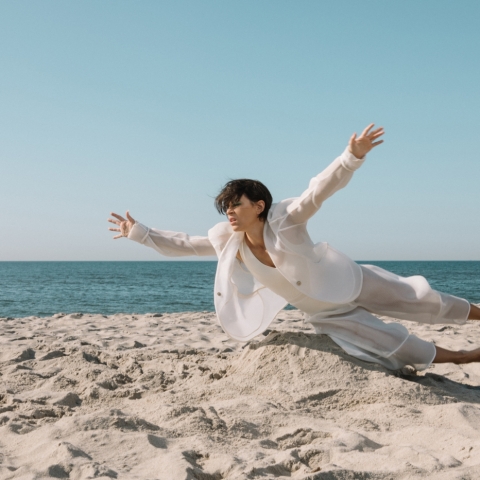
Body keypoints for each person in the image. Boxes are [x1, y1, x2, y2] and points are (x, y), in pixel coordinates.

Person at [108, 124, 480, 371]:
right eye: (226, 208)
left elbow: (318, 191)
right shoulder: (228, 240)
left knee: (420, 299)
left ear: (258, 205)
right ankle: (465, 358)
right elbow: (186, 245)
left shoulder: (285, 219)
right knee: (392, 346)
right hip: (325, 313)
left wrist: (351, 157)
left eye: (236, 204)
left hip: (351, 281)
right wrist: (139, 232)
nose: (230, 213)